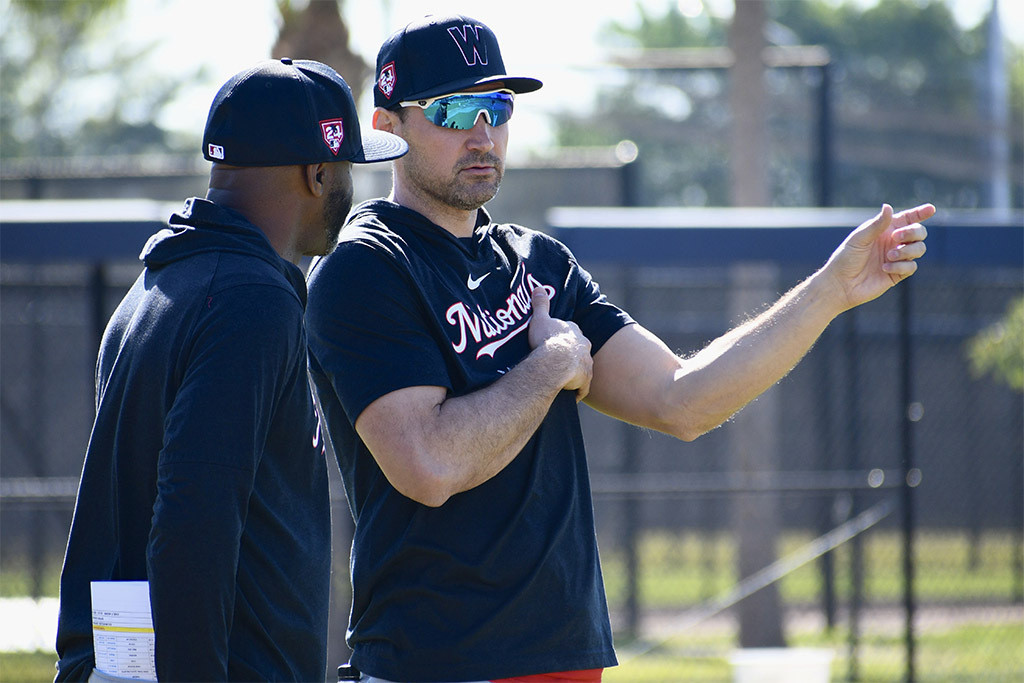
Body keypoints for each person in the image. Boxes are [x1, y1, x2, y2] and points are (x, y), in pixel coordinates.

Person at [304, 14, 933, 683]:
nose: (482, 133)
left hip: (566, 656)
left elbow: (683, 398)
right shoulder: (365, 267)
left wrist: (830, 290)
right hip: (438, 661)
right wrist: (552, 365)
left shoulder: (537, 259)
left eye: (498, 106)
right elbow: (428, 464)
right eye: (454, 109)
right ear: (388, 123)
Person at [54, 58, 407, 683]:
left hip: (126, 665)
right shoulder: (250, 300)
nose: (350, 186)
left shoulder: (162, 280)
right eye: (347, 167)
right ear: (318, 173)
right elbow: (194, 527)